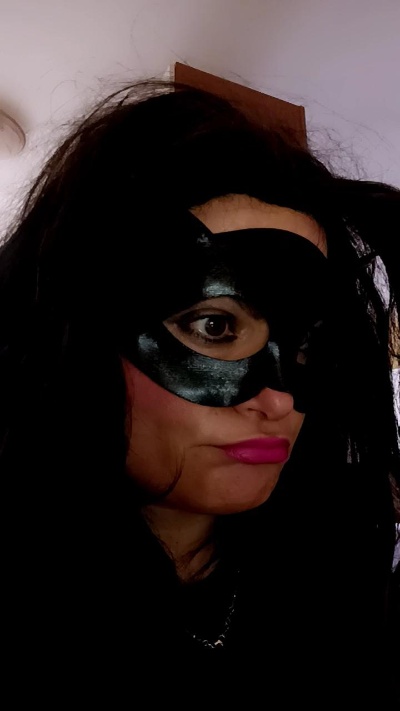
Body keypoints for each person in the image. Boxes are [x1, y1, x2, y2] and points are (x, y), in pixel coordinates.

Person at [1, 81, 399, 704]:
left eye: (304, 346)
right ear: (77, 332)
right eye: (215, 326)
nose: (279, 401)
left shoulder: (337, 561)